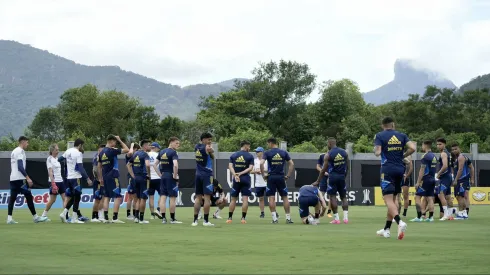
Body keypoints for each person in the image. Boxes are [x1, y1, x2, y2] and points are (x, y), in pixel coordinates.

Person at [374, 117, 414, 239]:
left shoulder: (379, 136)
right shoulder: (401, 135)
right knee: (394, 199)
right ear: (393, 124)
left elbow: (377, 152)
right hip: (400, 170)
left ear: (383, 125)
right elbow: (413, 148)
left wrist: (375, 149)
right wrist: (403, 155)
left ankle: (399, 222)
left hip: (387, 170)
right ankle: (386, 229)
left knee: (388, 200)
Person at [7, 136, 49, 224]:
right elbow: (20, 167)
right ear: (23, 142)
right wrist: (28, 178)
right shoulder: (20, 151)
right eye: (27, 142)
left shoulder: (14, 151)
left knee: (13, 198)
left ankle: (9, 218)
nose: (27, 144)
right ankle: (35, 217)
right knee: (29, 195)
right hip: (19, 179)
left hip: (13, 178)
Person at [313, 138, 349, 224]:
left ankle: (336, 219)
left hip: (333, 177)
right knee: (343, 197)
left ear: (329, 144)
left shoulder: (328, 154)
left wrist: (318, 181)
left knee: (332, 197)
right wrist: (344, 176)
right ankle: (345, 219)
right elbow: (348, 166)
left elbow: (323, 169)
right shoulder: (344, 152)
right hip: (342, 177)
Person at [260, 138, 294, 224]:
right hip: (281, 177)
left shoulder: (267, 153)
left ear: (271, 143)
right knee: (285, 197)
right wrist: (288, 175)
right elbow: (291, 164)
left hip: (271, 177)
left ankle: (275, 219)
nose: (268, 145)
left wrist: (263, 175)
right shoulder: (283, 152)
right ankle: (288, 218)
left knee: (271, 197)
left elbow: (261, 163)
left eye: (268, 144)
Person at [98, 135, 130, 223]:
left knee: (107, 197)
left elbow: (99, 166)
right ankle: (115, 218)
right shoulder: (112, 150)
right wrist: (120, 140)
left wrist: (100, 178)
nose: (115, 143)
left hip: (105, 177)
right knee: (118, 197)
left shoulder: (101, 152)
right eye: (115, 142)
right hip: (113, 176)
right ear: (111, 141)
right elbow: (127, 150)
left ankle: (105, 218)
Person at [59, 139, 92, 224]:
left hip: (69, 178)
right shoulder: (78, 153)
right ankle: (74, 218)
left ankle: (64, 213)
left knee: (73, 197)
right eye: (82, 146)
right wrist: (87, 178)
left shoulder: (68, 151)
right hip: (76, 178)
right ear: (80, 145)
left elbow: (59, 159)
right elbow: (80, 167)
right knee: (77, 198)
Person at [154, 137, 183, 224]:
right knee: (172, 198)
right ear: (171, 142)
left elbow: (155, 164)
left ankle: (163, 219)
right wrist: (175, 175)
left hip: (163, 177)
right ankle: (172, 219)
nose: (178, 145)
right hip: (170, 176)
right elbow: (175, 165)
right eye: (176, 143)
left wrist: (160, 175)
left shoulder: (162, 151)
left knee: (163, 197)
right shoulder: (173, 152)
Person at [226, 141, 254, 224]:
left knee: (233, 199)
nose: (249, 149)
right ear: (245, 146)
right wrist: (241, 173)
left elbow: (230, 166)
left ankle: (230, 218)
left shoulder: (234, 155)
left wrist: (235, 174)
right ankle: (243, 219)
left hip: (236, 179)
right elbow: (250, 168)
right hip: (245, 179)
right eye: (249, 147)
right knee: (245, 199)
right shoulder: (250, 156)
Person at [192, 132, 215, 227]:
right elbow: (212, 151)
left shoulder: (196, 147)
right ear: (203, 139)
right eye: (208, 139)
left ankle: (195, 221)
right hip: (206, 175)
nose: (210, 141)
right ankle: (205, 221)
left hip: (198, 174)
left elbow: (211, 156)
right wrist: (210, 147)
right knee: (207, 199)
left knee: (198, 198)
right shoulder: (207, 147)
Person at [411, 140, 437, 222]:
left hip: (425, 179)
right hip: (433, 179)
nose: (422, 147)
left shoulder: (425, 156)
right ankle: (431, 217)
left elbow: (422, 169)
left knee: (417, 197)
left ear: (425, 145)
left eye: (422, 145)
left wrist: (418, 182)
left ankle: (419, 217)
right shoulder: (434, 156)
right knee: (430, 198)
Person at [127, 140, 151, 224]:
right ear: (144, 146)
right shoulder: (145, 154)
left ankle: (136, 217)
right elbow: (147, 165)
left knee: (136, 199)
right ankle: (141, 219)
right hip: (142, 178)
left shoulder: (135, 154)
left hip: (135, 178)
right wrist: (149, 173)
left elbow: (128, 165)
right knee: (143, 199)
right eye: (149, 145)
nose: (150, 147)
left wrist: (132, 174)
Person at [41, 144, 66, 221]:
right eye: (56, 150)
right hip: (54, 182)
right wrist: (53, 183)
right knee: (52, 200)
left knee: (65, 199)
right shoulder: (49, 159)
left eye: (58, 150)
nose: (58, 151)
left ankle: (65, 215)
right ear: (52, 151)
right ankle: (43, 215)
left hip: (60, 181)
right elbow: (50, 172)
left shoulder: (57, 159)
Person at [451, 143, 474, 219]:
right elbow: (471, 167)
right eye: (453, 150)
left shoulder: (461, 157)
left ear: (459, 149)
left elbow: (460, 169)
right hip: (463, 179)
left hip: (461, 180)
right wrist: (472, 178)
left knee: (460, 196)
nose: (454, 151)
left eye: (456, 149)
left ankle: (461, 213)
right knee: (459, 196)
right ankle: (464, 213)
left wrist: (456, 180)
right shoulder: (460, 158)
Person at [436, 138, 454, 220]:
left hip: (445, 177)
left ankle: (446, 214)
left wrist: (438, 174)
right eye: (437, 144)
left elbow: (445, 166)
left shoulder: (443, 153)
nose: (438, 146)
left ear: (444, 144)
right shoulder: (448, 153)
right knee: (448, 196)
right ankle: (450, 214)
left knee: (440, 194)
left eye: (440, 144)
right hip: (449, 176)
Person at [90, 144, 106, 222]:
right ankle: (95, 216)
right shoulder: (97, 158)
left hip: (100, 180)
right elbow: (95, 170)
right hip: (99, 181)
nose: (102, 152)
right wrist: (100, 179)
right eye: (101, 150)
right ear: (98, 150)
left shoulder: (99, 156)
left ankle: (99, 215)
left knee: (101, 198)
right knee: (98, 199)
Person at [147, 142, 162, 219]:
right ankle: (158, 209)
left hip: (150, 178)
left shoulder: (147, 154)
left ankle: (152, 215)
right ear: (155, 147)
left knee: (151, 197)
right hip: (158, 178)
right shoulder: (157, 155)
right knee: (162, 195)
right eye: (158, 148)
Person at [251, 147, 268, 218]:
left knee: (271, 198)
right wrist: (256, 171)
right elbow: (251, 171)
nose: (256, 153)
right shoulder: (254, 161)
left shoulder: (266, 161)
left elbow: (270, 170)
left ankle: (274, 212)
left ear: (262, 152)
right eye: (256, 151)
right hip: (258, 183)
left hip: (267, 182)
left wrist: (263, 171)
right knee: (261, 198)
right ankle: (262, 212)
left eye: (258, 151)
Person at [316, 151, 332, 218]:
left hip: (331, 177)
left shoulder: (334, 155)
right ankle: (319, 211)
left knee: (331, 195)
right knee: (321, 194)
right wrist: (323, 171)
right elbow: (317, 166)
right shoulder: (322, 155)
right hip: (323, 178)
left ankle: (329, 212)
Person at [125, 143, 137, 220]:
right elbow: (130, 152)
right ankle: (129, 214)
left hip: (136, 177)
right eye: (136, 149)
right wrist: (132, 146)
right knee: (130, 197)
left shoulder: (136, 157)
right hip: (131, 177)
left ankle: (135, 214)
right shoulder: (129, 155)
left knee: (136, 197)